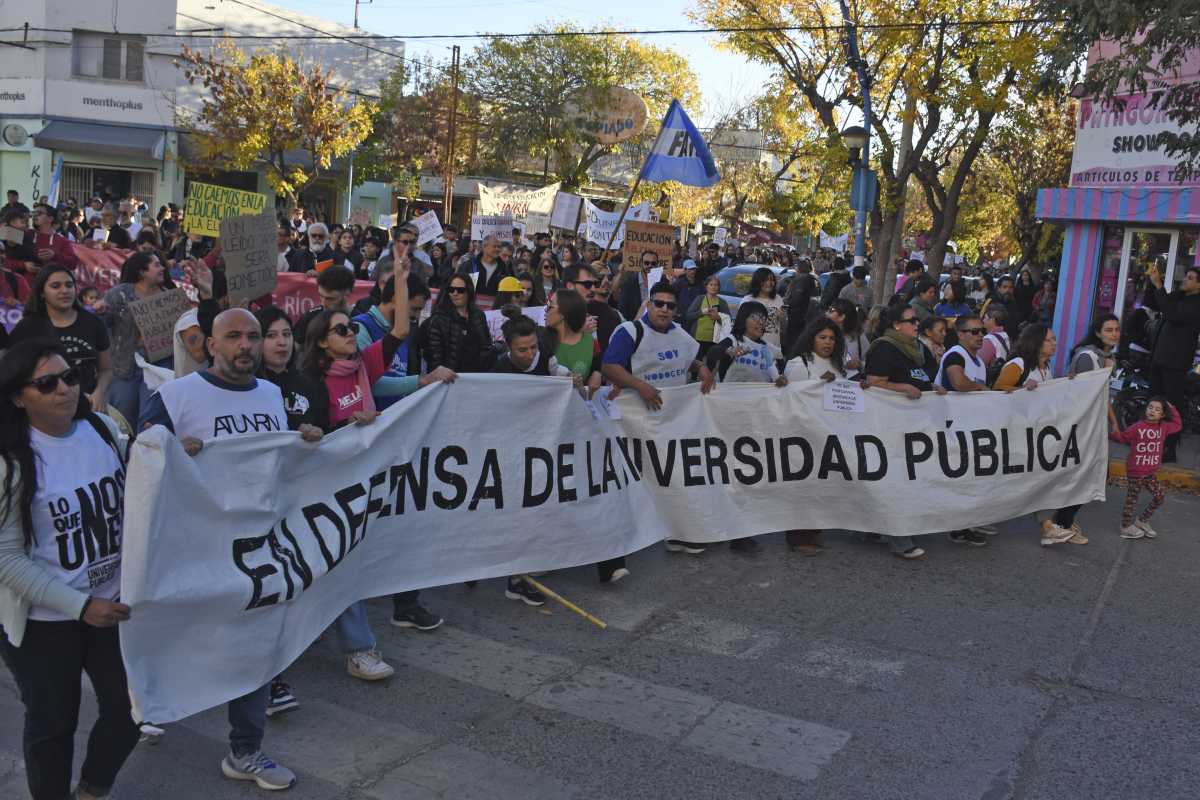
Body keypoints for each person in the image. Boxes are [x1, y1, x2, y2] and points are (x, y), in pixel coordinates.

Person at [137, 310, 301, 790]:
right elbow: (140, 462)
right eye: (234, 336)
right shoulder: (173, 397)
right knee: (176, 637)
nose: (246, 345)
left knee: (252, 649)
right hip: (191, 548)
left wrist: (305, 443)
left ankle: (245, 750)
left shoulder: (272, 395)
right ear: (210, 345)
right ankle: (150, 707)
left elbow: (279, 464)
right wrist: (165, 450)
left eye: (253, 336)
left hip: (255, 550)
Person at [0, 339, 141, 800]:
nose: (65, 389)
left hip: (114, 607)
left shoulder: (101, 429)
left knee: (133, 710)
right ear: (19, 396)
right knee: (52, 725)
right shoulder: (12, 464)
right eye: (47, 383)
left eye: (71, 376)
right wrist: (80, 606)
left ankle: (92, 790)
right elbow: (6, 559)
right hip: (47, 621)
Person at [601, 281, 715, 557]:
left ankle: (677, 533)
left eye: (670, 305)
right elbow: (609, 366)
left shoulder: (682, 337)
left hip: (672, 418)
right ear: (649, 304)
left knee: (674, 475)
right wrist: (641, 387)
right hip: (636, 420)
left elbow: (685, 361)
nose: (664, 309)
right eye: (659, 303)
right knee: (639, 478)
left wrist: (701, 367)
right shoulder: (629, 332)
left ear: (677, 310)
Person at [862, 305, 948, 559]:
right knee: (897, 479)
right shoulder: (884, 348)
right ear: (896, 325)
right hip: (890, 426)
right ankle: (899, 537)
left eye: (917, 320)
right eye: (911, 320)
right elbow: (875, 384)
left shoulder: (915, 349)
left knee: (905, 478)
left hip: (913, 425)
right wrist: (903, 389)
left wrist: (930, 386)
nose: (917, 324)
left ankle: (871, 528)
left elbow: (917, 377)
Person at [704, 300, 787, 554]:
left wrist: (783, 380)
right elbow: (711, 356)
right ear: (743, 319)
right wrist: (726, 354)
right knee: (724, 474)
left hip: (754, 421)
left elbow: (775, 377)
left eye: (764, 318)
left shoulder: (764, 349)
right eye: (755, 317)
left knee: (746, 476)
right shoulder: (731, 340)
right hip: (727, 418)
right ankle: (716, 525)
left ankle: (742, 531)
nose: (760, 323)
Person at [780, 318, 847, 555]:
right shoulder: (800, 363)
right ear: (811, 339)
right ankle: (798, 537)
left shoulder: (839, 365)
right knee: (804, 485)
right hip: (804, 434)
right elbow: (793, 397)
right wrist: (820, 383)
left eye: (832, 338)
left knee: (824, 484)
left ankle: (815, 531)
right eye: (823, 337)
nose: (828, 342)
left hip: (831, 433)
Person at [10, 265, 113, 412]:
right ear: (42, 293)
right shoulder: (27, 328)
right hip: (44, 412)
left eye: (69, 285)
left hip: (89, 407)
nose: (64, 291)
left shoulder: (94, 323)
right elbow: (13, 373)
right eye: (55, 286)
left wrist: (100, 393)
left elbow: (106, 370)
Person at [95, 252, 168, 426]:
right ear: (142, 272)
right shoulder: (119, 294)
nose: (162, 268)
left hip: (156, 368)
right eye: (156, 265)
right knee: (122, 419)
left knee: (149, 419)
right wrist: (101, 312)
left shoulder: (168, 296)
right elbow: (103, 326)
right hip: (124, 367)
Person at [1144, 265, 1200, 461]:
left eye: (1190, 278)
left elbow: (1172, 314)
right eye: (1186, 276)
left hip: (1175, 364)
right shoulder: (1181, 296)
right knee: (1153, 402)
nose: (1185, 279)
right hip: (1160, 358)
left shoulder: (1196, 303)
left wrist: (1159, 285)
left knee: (1171, 407)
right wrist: (1152, 283)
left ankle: (1168, 450)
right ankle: (1151, 443)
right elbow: (1159, 304)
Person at [1108, 397, 1181, 539]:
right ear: (1146, 409)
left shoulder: (1164, 427)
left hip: (1150, 472)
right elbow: (1122, 438)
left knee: (1159, 496)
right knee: (1132, 500)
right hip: (1136, 471)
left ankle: (1142, 521)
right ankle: (1125, 527)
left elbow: (1177, 425)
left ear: (1163, 415)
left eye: (1157, 409)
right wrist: (1113, 432)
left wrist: (1172, 408)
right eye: (1150, 407)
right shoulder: (1138, 427)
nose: (1152, 410)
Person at [422, 273, 492, 373]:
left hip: (477, 377)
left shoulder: (479, 316)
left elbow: (486, 346)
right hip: (450, 379)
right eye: (451, 290)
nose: (455, 293)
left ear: (469, 292)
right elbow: (434, 357)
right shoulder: (438, 319)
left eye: (460, 290)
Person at [545, 288, 601, 394]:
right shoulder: (541, 341)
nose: (545, 310)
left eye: (550, 306)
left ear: (563, 313)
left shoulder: (591, 342)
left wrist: (598, 373)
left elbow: (598, 366)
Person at [294, 263, 356, 349]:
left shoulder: (357, 320)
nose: (323, 303)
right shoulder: (310, 317)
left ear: (347, 295)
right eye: (320, 296)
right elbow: (295, 350)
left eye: (330, 299)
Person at [992, 323, 1056, 391]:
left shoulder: (1047, 366)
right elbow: (997, 391)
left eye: (1054, 339)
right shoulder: (1019, 363)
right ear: (1035, 342)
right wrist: (1023, 389)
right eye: (1048, 340)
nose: (1055, 343)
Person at [684, 274, 729, 359]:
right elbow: (688, 316)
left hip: (715, 339)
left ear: (719, 287)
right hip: (698, 338)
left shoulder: (722, 302)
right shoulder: (700, 299)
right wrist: (701, 312)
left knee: (710, 364)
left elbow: (729, 321)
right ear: (706, 287)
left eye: (716, 285)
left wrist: (718, 318)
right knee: (697, 364)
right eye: (711, 285)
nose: (713, 287)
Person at [747, 267, 786, 353]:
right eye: (765, 280)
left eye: (771, 280)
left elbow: (783, 325)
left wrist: (782, 317)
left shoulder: (778, 299)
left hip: (774, 349)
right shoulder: (748, 300)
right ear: (757, 282)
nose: (769, 283)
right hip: (753, 350)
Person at [28, 205, 79, 270]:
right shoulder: (26, 234)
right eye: (33, 213)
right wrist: (23, 264)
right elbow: (11, 257)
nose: (34, 215)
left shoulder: (62, 240)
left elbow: (73, 263)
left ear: (50, 219)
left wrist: (54, 256)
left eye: (39, 213)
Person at [619, 250, 660, 322]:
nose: (650, 266)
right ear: (641, 263)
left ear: (657, 265)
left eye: (653, 263)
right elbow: (623, 308)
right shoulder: (629, 282)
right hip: (634, 324)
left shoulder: (661, 282)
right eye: (646, 263)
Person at [978, 306, 1011, 370]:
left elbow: (979, 364)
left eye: (985, 317)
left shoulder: (989, 340)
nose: (983, 320)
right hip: (1000, 372)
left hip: (991, 376)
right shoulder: (1005, 335)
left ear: (992, 320)